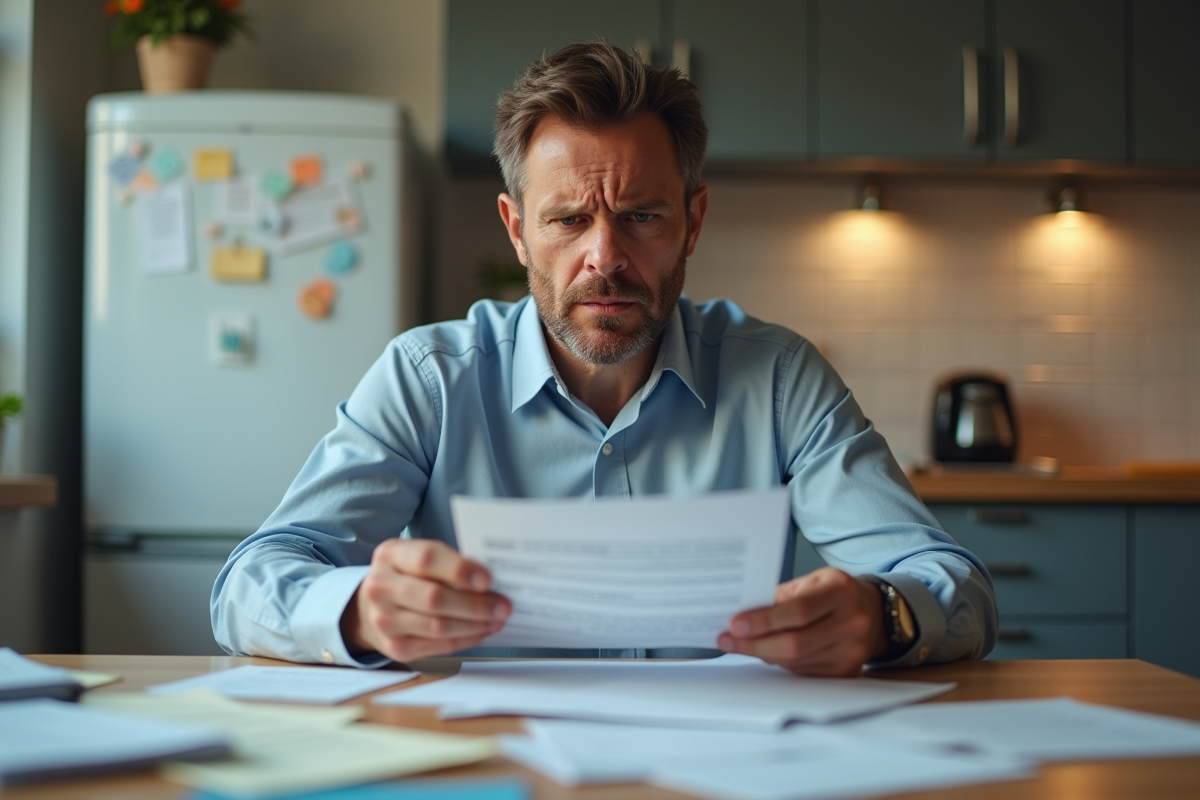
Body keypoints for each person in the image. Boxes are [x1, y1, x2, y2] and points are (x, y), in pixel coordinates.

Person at [212, 41, 997, 677]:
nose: (604, 257)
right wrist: (358, 609)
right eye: (567, 220)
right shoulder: (429, 380)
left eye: (640, 215)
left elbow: (954, 585)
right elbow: (250, 582)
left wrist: (883, 616)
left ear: (693, 222)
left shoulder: (780, 377)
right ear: (517, 229)